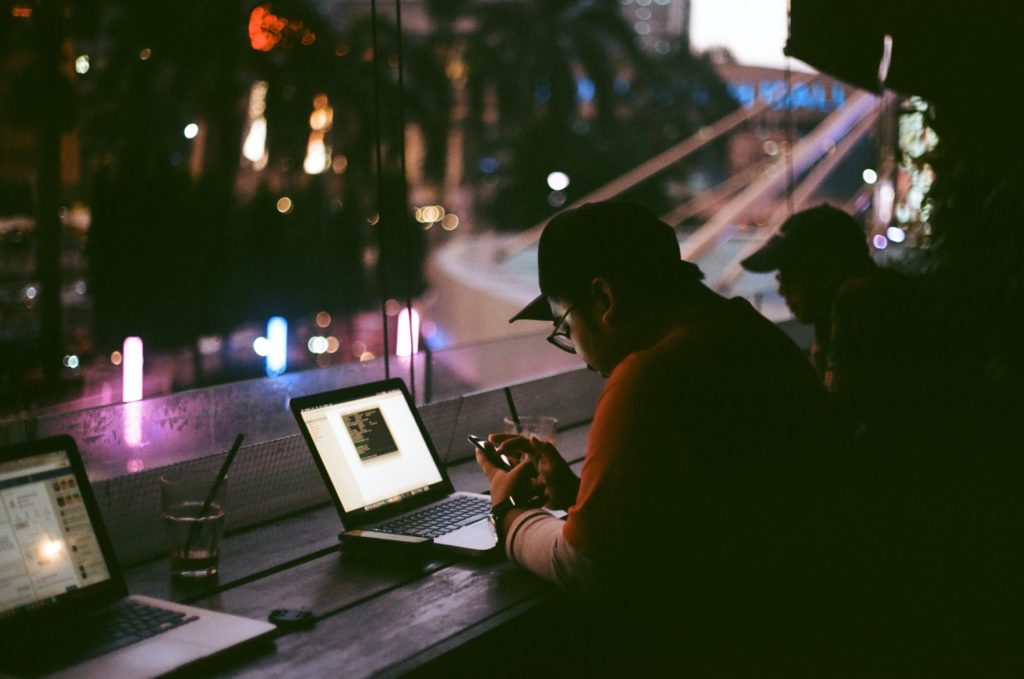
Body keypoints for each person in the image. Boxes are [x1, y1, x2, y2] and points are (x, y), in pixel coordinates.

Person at [475, 200, 851, 673]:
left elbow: (585, 568)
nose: (583, 358)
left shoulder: (650, 376)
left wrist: (509, 514)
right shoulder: (754, 337)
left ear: (604, 300)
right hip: (809, 627)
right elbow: (701, 505)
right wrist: (581, 497)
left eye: (567, 328)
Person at [740, 204, 941, 449]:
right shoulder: (885, 293)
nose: (782, 290)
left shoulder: (858, 302)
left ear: (830, 270)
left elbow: (832, 426)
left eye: (788, 275)